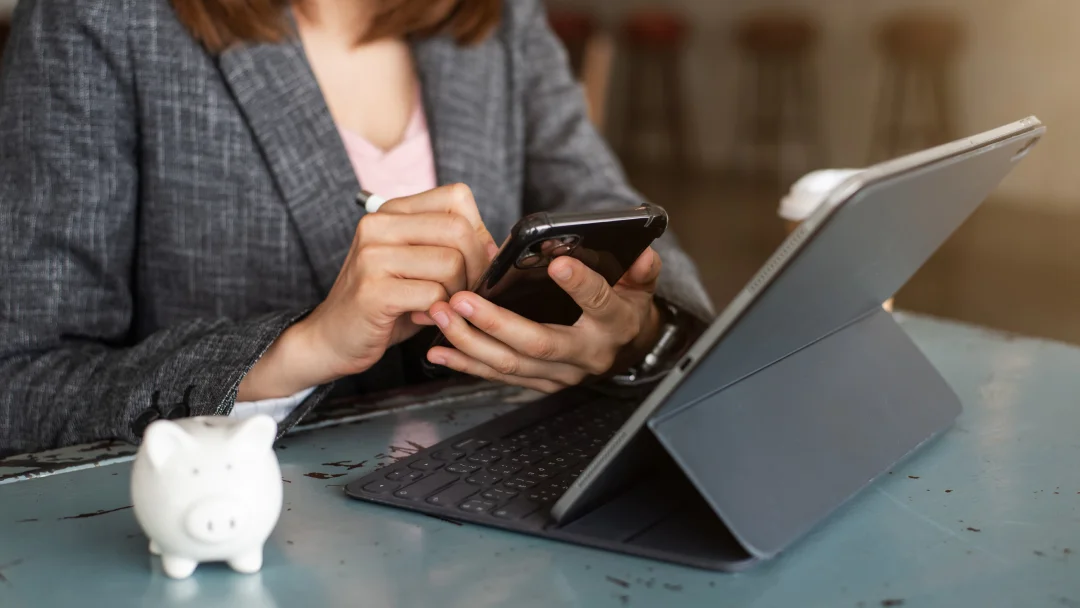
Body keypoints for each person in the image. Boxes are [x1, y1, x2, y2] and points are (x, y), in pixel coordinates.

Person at [0, 0, 713, 456]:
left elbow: (635, 236)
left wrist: (635, 335)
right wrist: (300, 348)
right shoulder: (97, 19)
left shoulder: (500, 18)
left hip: (489, 515)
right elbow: (23, 383)